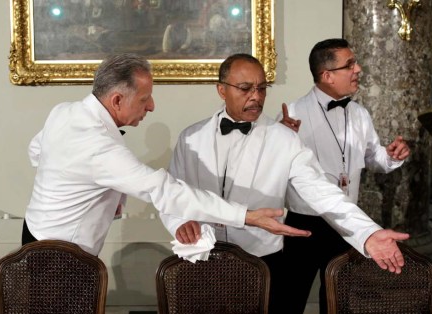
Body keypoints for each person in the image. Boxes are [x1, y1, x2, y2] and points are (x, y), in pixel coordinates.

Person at [161, 53, 410, 314]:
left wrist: (367, 233)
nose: (256, 97)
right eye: (245, 89)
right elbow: (172, 192)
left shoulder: (284, 140)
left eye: (262, 88)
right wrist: (178, 223)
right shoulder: (190, 137)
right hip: (201, 258)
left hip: (262, 261)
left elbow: (322, 192)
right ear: (222, 90)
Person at [23, 53, 309, 256]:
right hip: (60, 254)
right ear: (117, 100)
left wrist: (71, 184)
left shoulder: (65, 111)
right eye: (145, 99)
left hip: (33, 230)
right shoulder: (97, 147)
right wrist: (245, 216)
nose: (152, 107)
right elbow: (165, 190)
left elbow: (36, 151)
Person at [278, 38, 411, 314]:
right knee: (289, 303)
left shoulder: (360, 114)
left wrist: (390, 156)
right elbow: (279, 170)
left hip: (346, 224)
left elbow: (373, 159)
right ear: (327, 75)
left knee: (340, 303)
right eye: (349, 64)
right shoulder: (293, 113)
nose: (358, 69)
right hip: (306, 223)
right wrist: (280, 140)